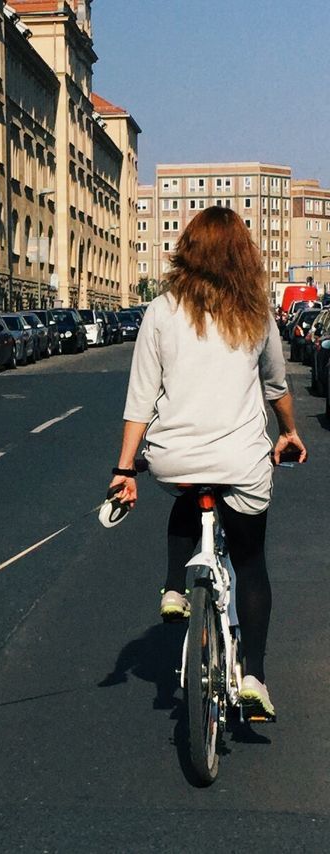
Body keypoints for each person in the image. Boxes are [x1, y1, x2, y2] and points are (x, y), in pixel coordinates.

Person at [107, 206, 306, 720]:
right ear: (244, 254)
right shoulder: (257, 311)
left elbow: (139, 399)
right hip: (240, 460)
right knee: (249, 561)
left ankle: (175, 585)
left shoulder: (160, 310)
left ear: (186, 250)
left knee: (187, 494)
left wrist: (124, 471)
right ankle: (255, 676)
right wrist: (288, 431)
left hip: (176, 458)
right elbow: (277, 387)